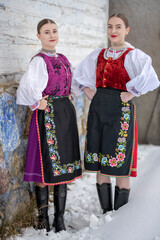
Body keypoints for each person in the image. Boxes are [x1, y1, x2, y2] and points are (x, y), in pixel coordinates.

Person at [72, 13, 160, 214]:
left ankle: (119, 216)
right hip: (98, 108)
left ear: (126, 30)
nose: (113, 31)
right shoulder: (98, 54)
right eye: (110, 26)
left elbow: (151, 77)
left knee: (120, 161)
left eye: (118, 27)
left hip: (120, 110)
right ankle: (106, 211)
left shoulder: (134, 55)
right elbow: (79, 75)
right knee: (101, 159)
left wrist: (133, 92)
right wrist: (87, 90)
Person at [16, 19, 82, 233]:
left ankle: (60, 218)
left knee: (64, 163)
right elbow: (26, 87)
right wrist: (37, 102)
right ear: (39, 36)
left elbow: (70, 82)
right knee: (45, 163)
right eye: (46, 32)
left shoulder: (62, 58)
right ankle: (43, 218)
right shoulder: (38, 60)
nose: (52, 35)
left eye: (54, 31)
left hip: (65, 114)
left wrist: (71, 91)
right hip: (48, 115)